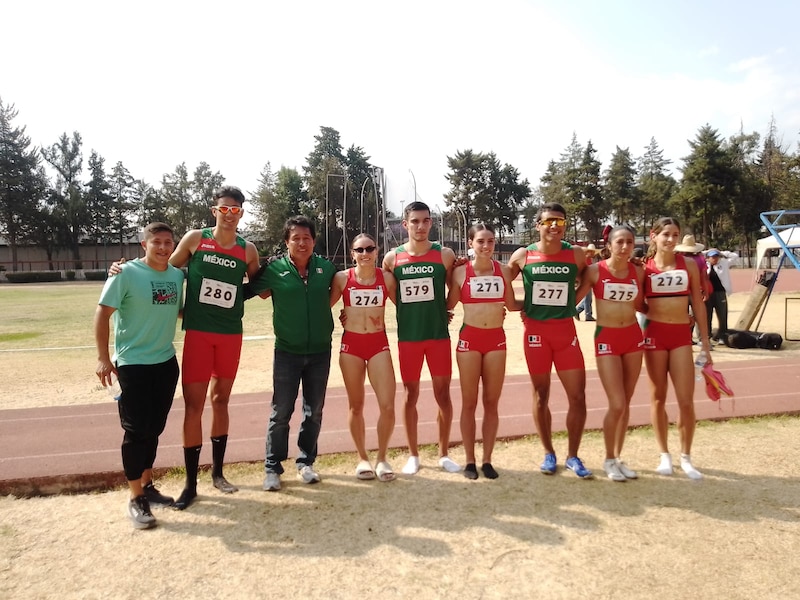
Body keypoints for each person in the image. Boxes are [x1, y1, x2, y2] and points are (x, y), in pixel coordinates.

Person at [170, 187, 261, 509]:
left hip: (229, 335)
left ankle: (219, 473)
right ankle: (191, 484)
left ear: (241, 213)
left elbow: (258, 285)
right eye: (224, 209)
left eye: (235, 210)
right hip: (198, 334)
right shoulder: (195, 239)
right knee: (193, 407)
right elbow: (166, 272)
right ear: (214, 211)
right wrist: (180, 307)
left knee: (221, 400)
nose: (229, 214)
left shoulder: (247, 250)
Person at [94, 222, 184, 529]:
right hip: (132, 365)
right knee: (135, 431)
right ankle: (135, 498)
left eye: (168, 242)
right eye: (156, 242)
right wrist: (104, 358)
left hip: (166, 363)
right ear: (143, 245)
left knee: (154, 428)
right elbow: (102, 313)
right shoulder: (126, 273)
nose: (162, 247)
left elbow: (179, 310)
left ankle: (147, 484)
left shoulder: (176, 275)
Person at [247, 216, 337, 491]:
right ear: (286, 242)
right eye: (295, 238)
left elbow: (353, 284)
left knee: (314, 411)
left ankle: (305, 463)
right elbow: (250, 291)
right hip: (287, 352)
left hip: (321, 351)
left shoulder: (326, 268)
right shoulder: (274, 269)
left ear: (314, 241)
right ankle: (272, 468)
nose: (301, 243)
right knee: (281, 412)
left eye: (306, 238)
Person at [507, 202, 593, 478]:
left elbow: (590, 278)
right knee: (541, 394)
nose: (555, 226)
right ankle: (548, 453)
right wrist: (518, 305)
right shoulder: (524, 255)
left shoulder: (576, 254)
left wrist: (572, 304)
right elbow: (498, 278)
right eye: (549, 221)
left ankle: (573, 456)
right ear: (538, 226)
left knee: (577, 396)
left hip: (565, 334)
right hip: (536, 335)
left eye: (560, 221)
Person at [382, 201, 460, 475]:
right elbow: (391, 293)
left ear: (431, 223)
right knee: (410, 394)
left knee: (443, 395)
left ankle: (443, 453)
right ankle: (413, 454)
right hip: (409, 338)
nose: (420, 226)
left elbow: (457, 285)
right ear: (405, 225)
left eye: (425, 220)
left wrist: (446, 308)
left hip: (438, 337)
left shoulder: (444, 254)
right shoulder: (392, 259)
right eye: (414, 221)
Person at [446, 224, 519, 480]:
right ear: (470, 243)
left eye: (490, 241)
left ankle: (487, 460)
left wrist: (547, 304)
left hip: (496, 340)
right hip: (470, 340)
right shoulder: (459, 273)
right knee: (469, 402)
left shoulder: (505, 272)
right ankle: (469, 460)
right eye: (480, 241)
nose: (486, 246)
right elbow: (448, 304)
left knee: (491, 402)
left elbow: (511, 304)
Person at [642, 217, 712, 480]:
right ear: (654, 236)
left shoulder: (690, 265)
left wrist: (705, 342)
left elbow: (698, 303)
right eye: (666, 235)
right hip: (654, 336)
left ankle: (686, 457)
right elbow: (637, 301)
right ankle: (664, 455)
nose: (671, 240)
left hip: (681, 336)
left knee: (686, 401)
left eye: (675, 235)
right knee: (658, 398)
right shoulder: (644, 267)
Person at [575, 225, 645, 482]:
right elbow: (573, 300)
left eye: (629, 242)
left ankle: (618, 457)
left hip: (633, 338)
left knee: (625, 404)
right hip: (607, 339)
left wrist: (680, 314)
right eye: (620, 242)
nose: (625, 246)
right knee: (616, 403)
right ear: (610, 245)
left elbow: (642, 304)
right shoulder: (596, 271)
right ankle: (607, 458)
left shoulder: (638, 270)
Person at [330, 234, 398, 482]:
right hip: (352, 345)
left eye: (370, 248)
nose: (365, 253)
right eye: (360, 249)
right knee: (356, 405)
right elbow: (320, 306)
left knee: (388, 405)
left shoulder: (386, 278)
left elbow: (408, 305)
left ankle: (382, 458)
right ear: (352, 254)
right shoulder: (341, 278)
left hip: (378, 343)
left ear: (377, 251)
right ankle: (362, 458)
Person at [674, 234, 711, 345]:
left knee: (683, 316)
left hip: (682, 291)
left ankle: (686, 338)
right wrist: (705, 290)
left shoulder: (677, 259)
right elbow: (704, 276)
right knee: (698, 315)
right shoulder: (700, 259)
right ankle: (702, 339)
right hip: (696, 290)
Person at [705, 248, 733, 342]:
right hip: (707, 293)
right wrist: (707, 251)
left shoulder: (724, 264)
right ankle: (707, 335)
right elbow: (698, 254)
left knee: (722, 315)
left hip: (720, 293)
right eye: (712, 257)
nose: (715, 259)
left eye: (716, 257)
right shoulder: (704, 265)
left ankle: (722, 335)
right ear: (708, 258)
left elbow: (734, 256)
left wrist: (721, 252)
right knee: (707, 315)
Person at [575, 243, 598, 321]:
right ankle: (588, 314)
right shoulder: (584, 259)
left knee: (587, 298)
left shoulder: (588, 259)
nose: (592, 253)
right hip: (583, 281)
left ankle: (578, 311)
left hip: (587, 280)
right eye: (591, 251)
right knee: (588, 298)